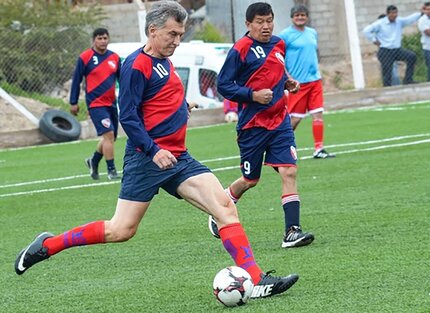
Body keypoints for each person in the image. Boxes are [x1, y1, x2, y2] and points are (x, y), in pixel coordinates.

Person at [14, 1, 298, 300]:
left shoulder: (165, 59)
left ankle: (255, 280)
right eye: (172, 34)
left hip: (179, 158)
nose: (177, 41)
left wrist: (181, 107)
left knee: (225, 208)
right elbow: (128, 117)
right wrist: (152, 151)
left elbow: (158, 100)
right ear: (153, 30)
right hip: (146, 160)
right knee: (121, 230)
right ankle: (48, 245)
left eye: (180, 35)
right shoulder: (136, 65)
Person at [209, 2, 315, 249]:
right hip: (252, 126)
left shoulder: (279, 43)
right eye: (260, 22)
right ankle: (220, 205)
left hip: (279, 122)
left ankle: (292, 231)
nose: (265, 26)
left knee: (289, 171)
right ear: (248, 24)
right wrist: (253, 95)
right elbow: (223, 85)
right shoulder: (240, 49)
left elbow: (277, 69)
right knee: (250, 179)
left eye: (269, 21)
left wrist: (288, 81)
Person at [279, 4, 335, 159]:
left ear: (307, 17)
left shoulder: (312, 33)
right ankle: (281, 147)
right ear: (292, 17)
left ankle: (319, 149)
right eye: (297, 15)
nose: (300, 17)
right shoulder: (285, 35)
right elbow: (279, 58)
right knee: (295, 119)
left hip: (315, 81)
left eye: (303, 15)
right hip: (299, 84)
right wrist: (288, 77)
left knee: (318, 115)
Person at [69, 28, 121, 180]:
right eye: (100, 38)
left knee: (110, 138)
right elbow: (76, 80)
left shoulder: (114, 58)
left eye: (105, 38)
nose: (103, 41)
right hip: (96, 104)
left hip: (111, 103)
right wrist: (73, 102)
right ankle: (111, 171)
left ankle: (93, 160)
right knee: (109, 135)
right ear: (94, 40)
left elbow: (122, 80)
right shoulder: (85, 57)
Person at [363, 5, 422, 86]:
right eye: (392, 13)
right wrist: (374, 40)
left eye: (396, 13)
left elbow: (409, 19)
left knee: (411, 56)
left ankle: (408, 79)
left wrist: (421, 13)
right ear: (387, 14)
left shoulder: (399, 21)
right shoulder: (380, 23)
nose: (394, 15)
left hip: (397, 50)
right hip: (385, 51)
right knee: (387, 73)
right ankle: (387, 88)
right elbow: (366, 31)